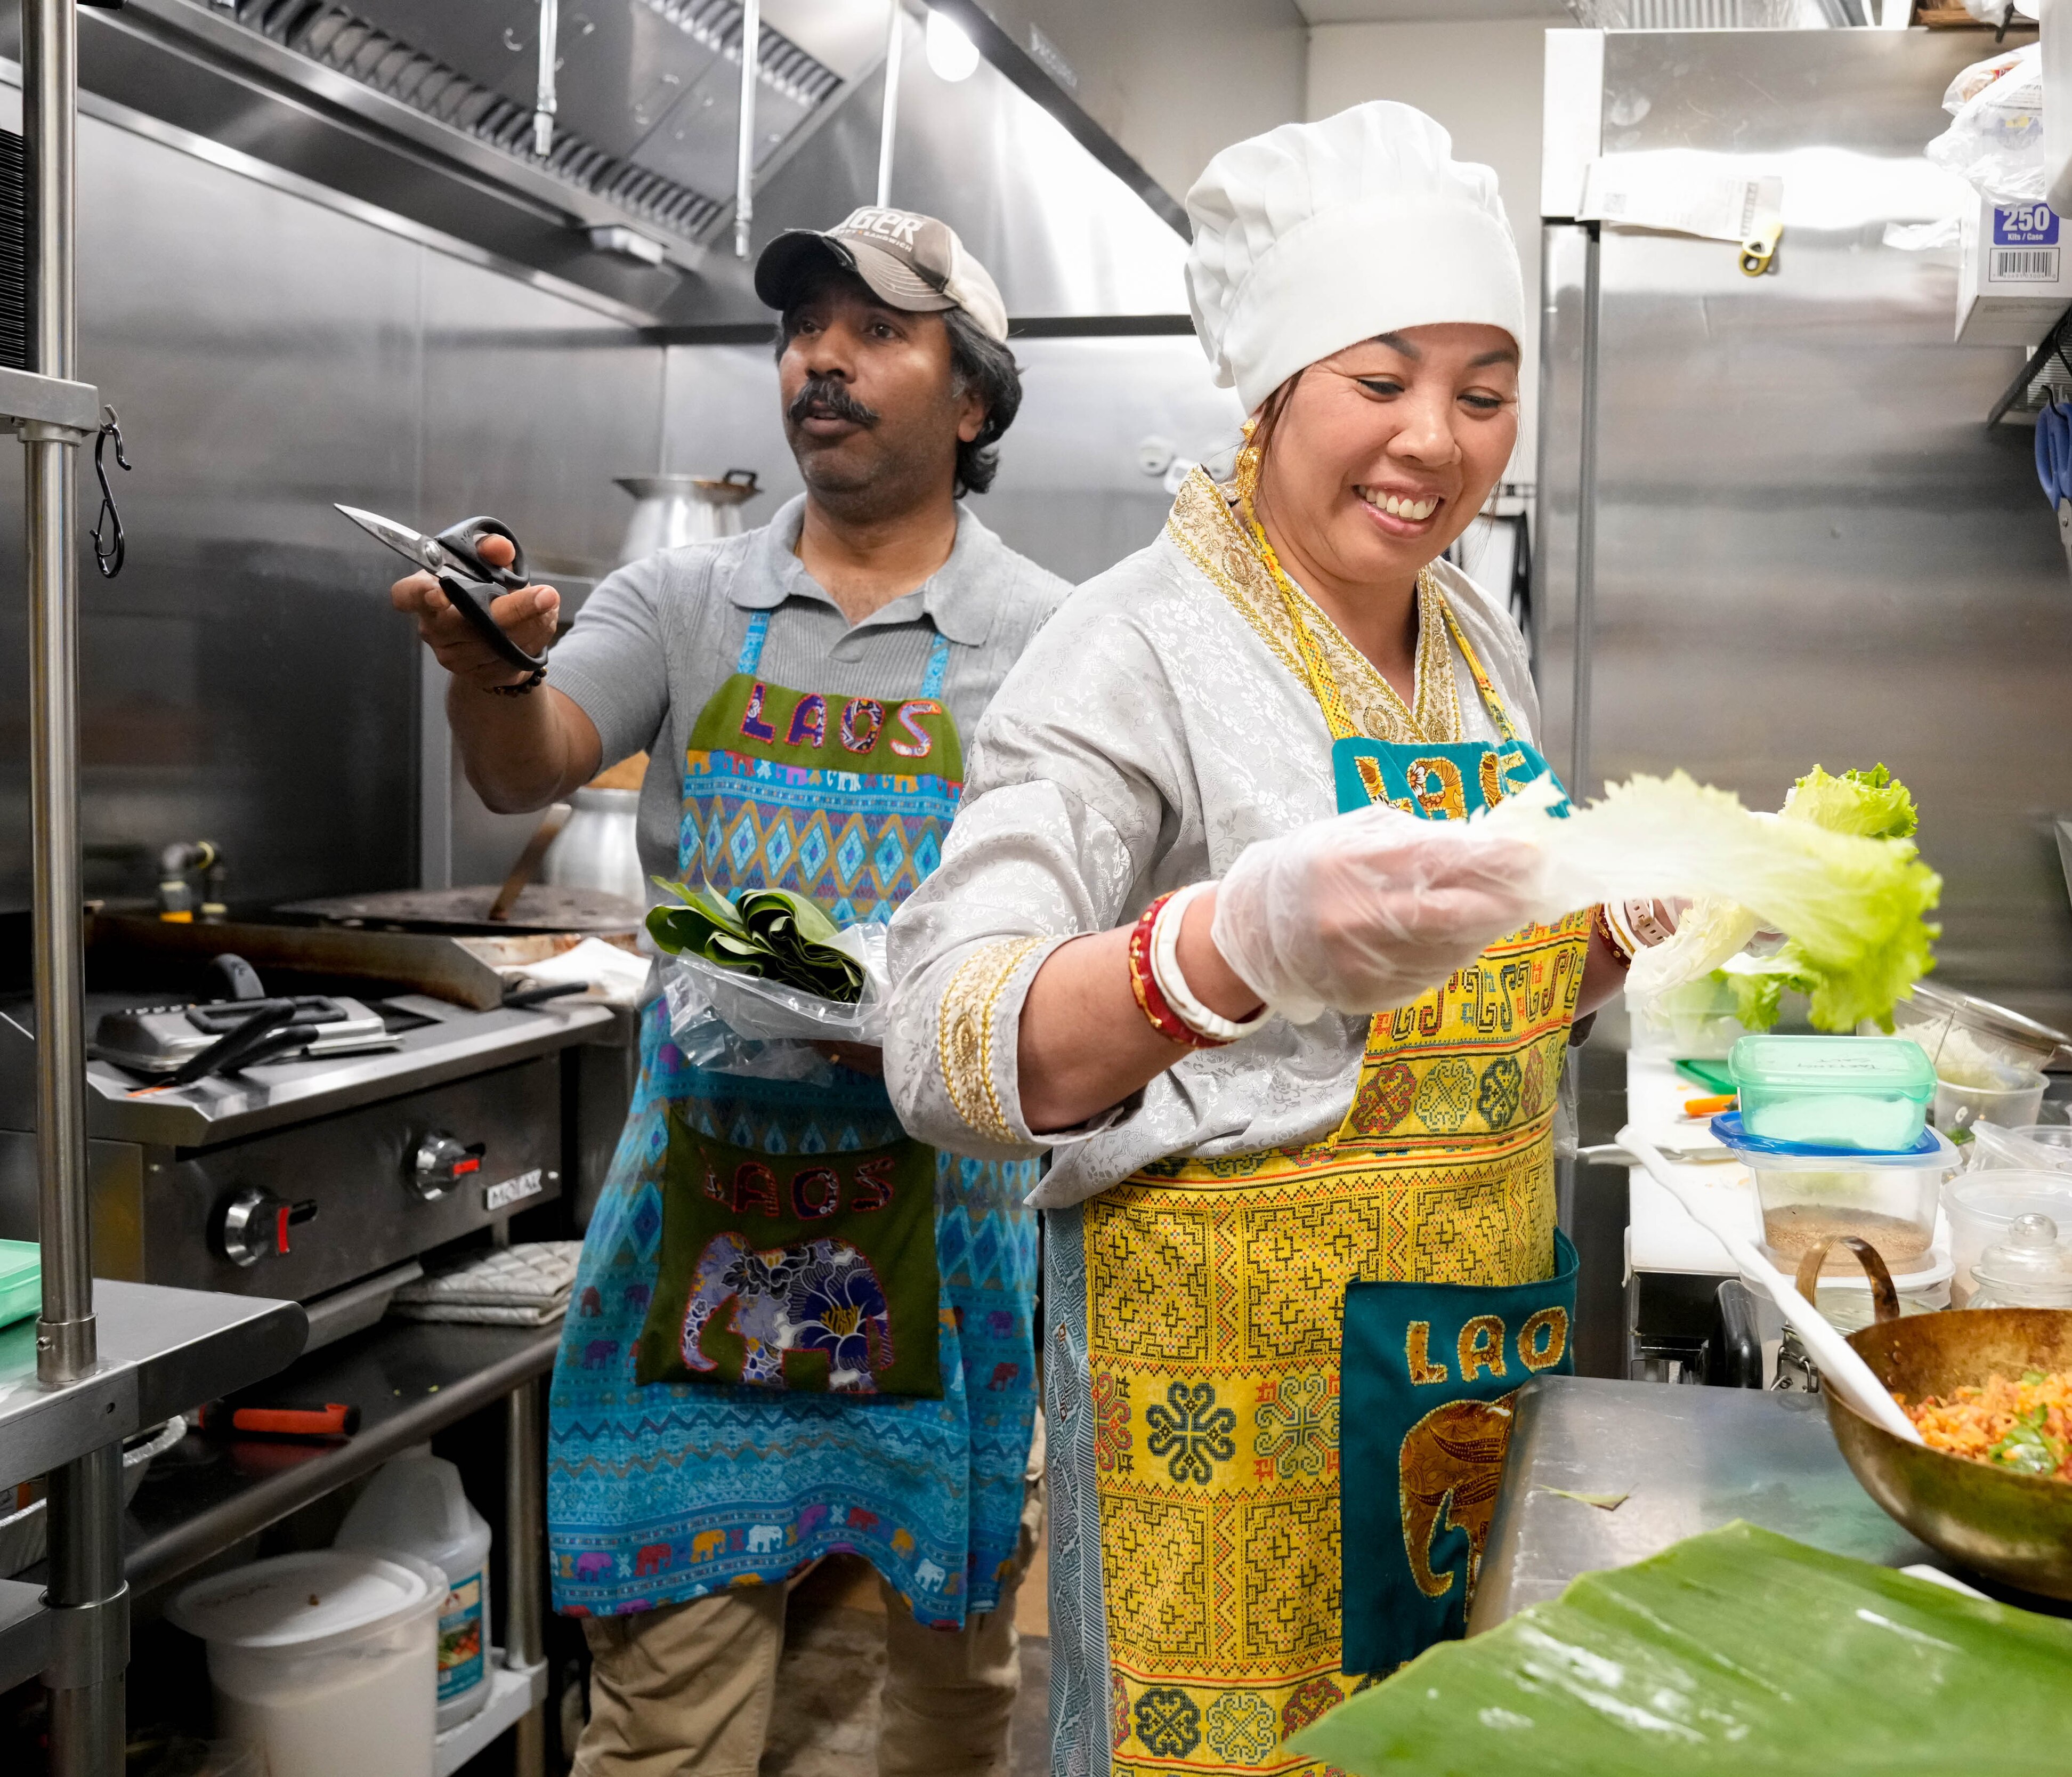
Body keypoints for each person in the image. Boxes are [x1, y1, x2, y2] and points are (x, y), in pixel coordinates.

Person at [880, 104, 1670, 1776]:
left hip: (1471, 1369)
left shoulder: (1473, 632)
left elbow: (1459, 992)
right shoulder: (1132, 649)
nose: (1437, 444)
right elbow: (945, 1040)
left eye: (1483, 389)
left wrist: (1595, 940)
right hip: (1234, 1416)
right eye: (1380, 381)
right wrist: (1221, 947)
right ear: (1272, 389)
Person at [387, 206, 1064, 1777]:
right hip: (707, 1206)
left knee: (954, 1697)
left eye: (877, 332)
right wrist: (487, 668)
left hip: (952, 1225)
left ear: (972, 399)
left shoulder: (1053, 635)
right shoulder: (685, 604)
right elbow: (531, 762)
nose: (822, 362)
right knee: (667, 1713)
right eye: (801, 331)